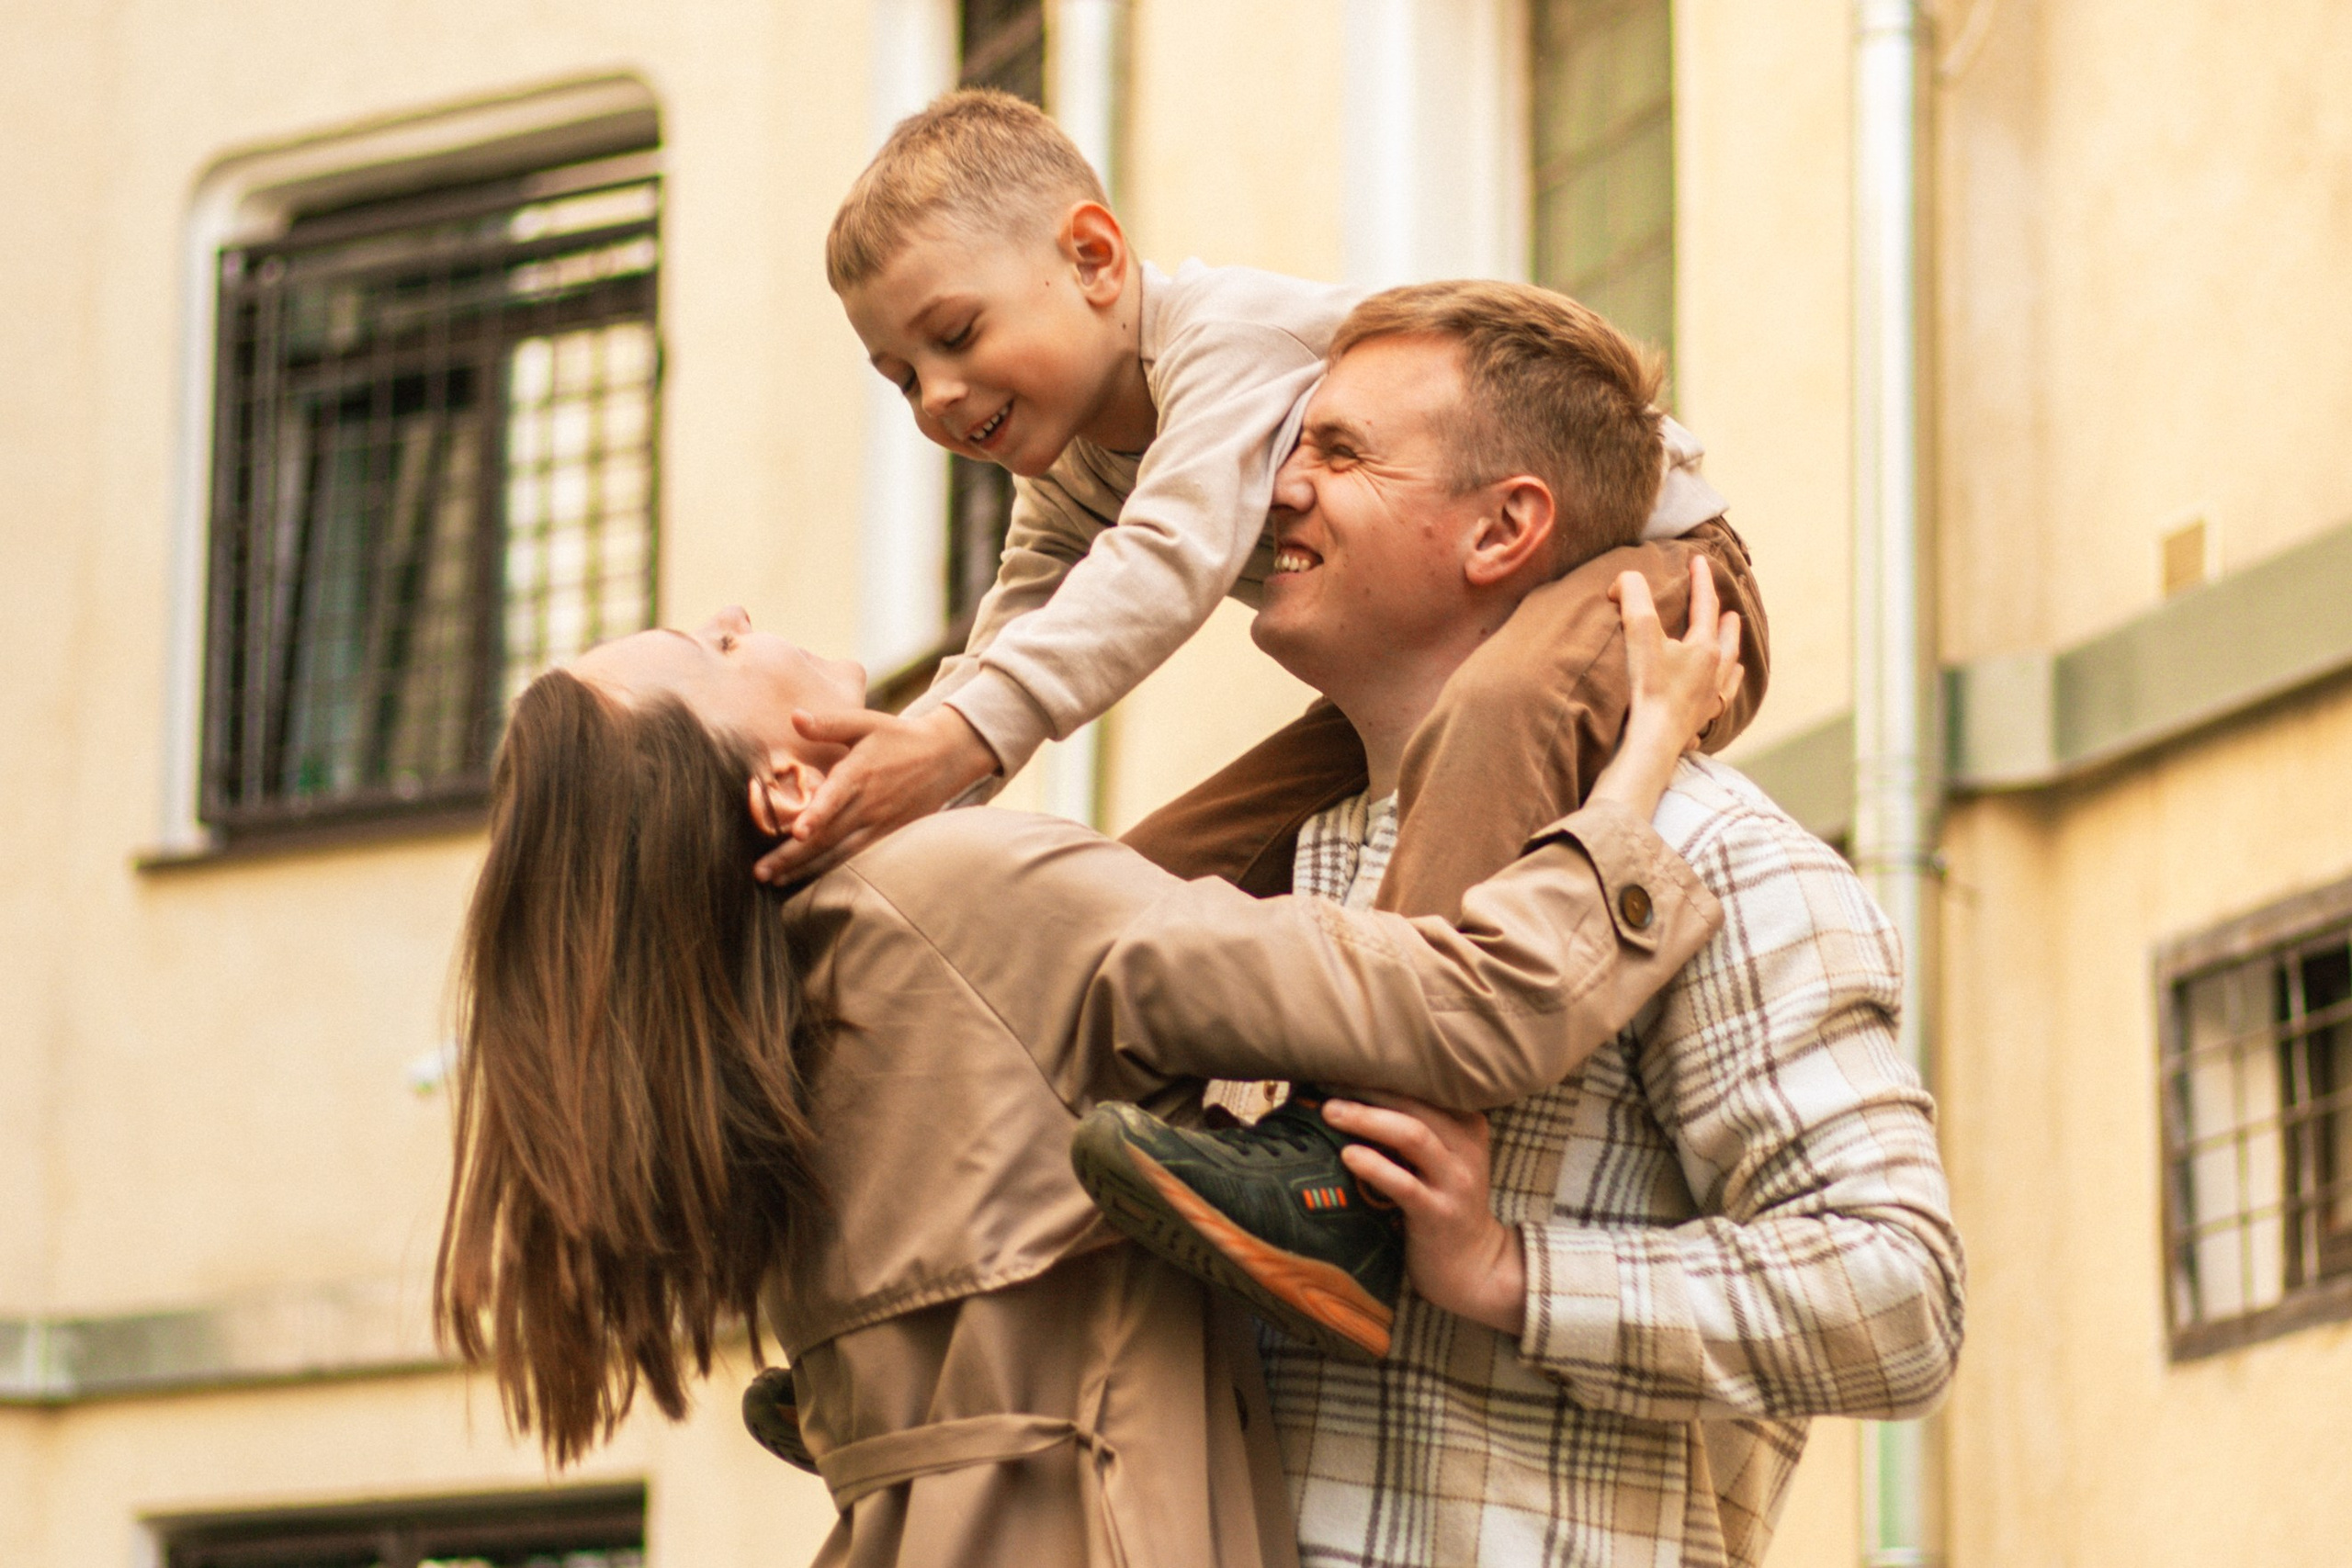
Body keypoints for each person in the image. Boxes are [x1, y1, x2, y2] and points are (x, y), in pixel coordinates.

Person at [433, 581, 1740, 1568]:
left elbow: (1158, 880)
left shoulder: (779, 1002)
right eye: (709, 651)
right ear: (785, 784)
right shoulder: (952, 894)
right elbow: (1469, 1009)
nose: (732, 616)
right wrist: (1642, 757)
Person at [1082, 281, 1966, 1568]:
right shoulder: (1268, 880)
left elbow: (1901, 1296)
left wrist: (1508, 1269)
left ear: (1504, 527)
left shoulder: (1716, 855)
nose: (1278, 487)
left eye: (1338, 452)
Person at [749, 87, 1767, 887]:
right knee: (1158, 871)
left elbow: (1163, 561)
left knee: (1500, 714)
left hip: (1656, 581)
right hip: (1462, 645)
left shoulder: (1222, 343)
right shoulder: (1068, 468)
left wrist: (956, 740)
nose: (936, 396)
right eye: (900, 378)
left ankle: (1406, 1084)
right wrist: (897, 804)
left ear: (1094, 257)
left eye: (957, 335)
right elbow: (1013, 636)